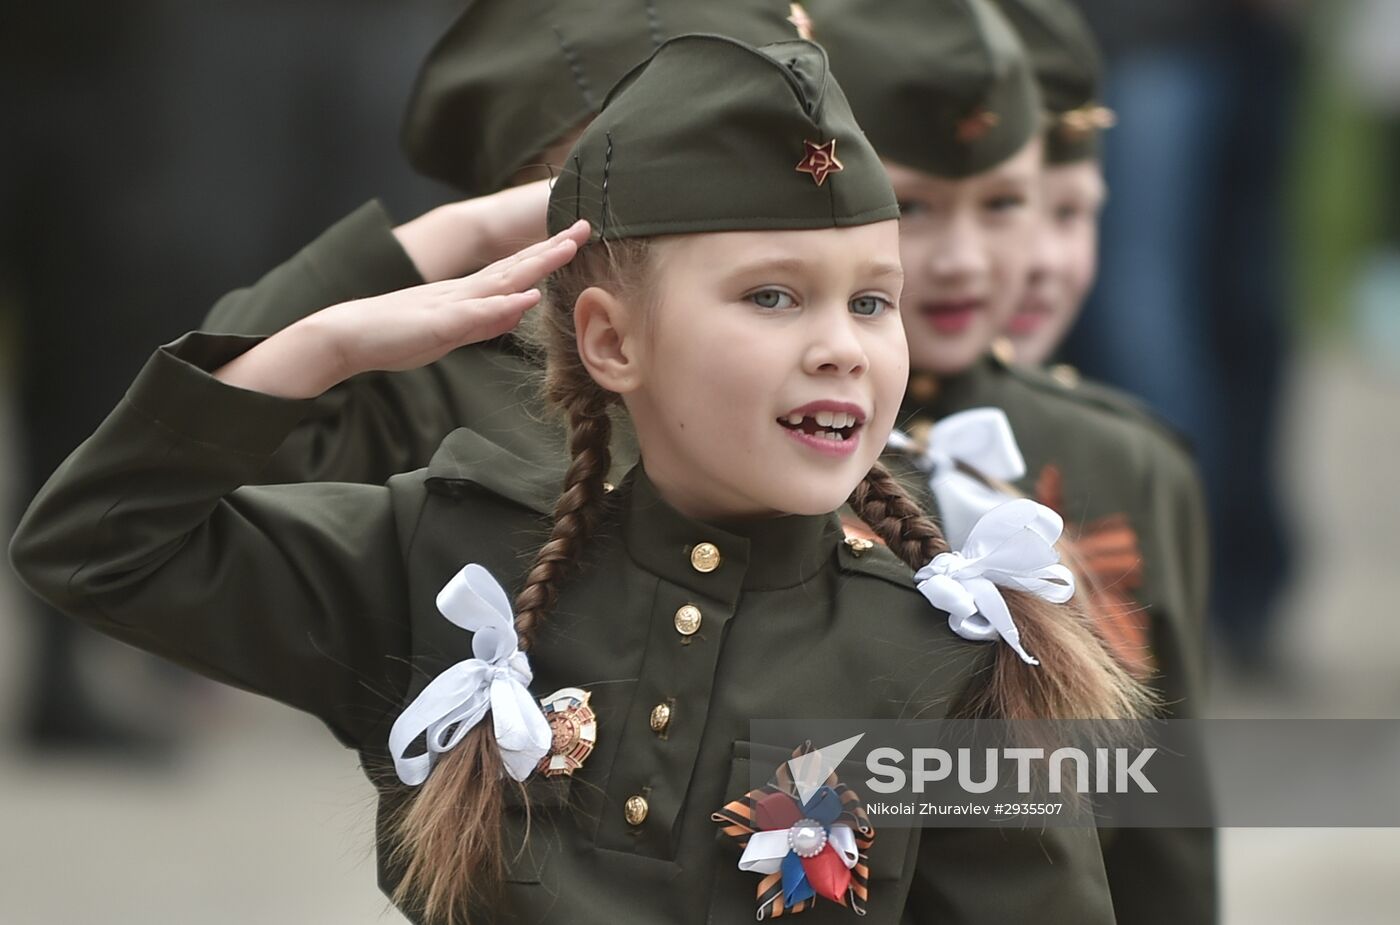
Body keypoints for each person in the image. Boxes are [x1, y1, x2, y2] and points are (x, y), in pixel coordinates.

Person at [10, 35, 1141, 924]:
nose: (843, 344)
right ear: (609, 341)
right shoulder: (450, 568)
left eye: (869, 300)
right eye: (770, 295)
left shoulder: (946, 667)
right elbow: (93, 542)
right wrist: (340, 328)